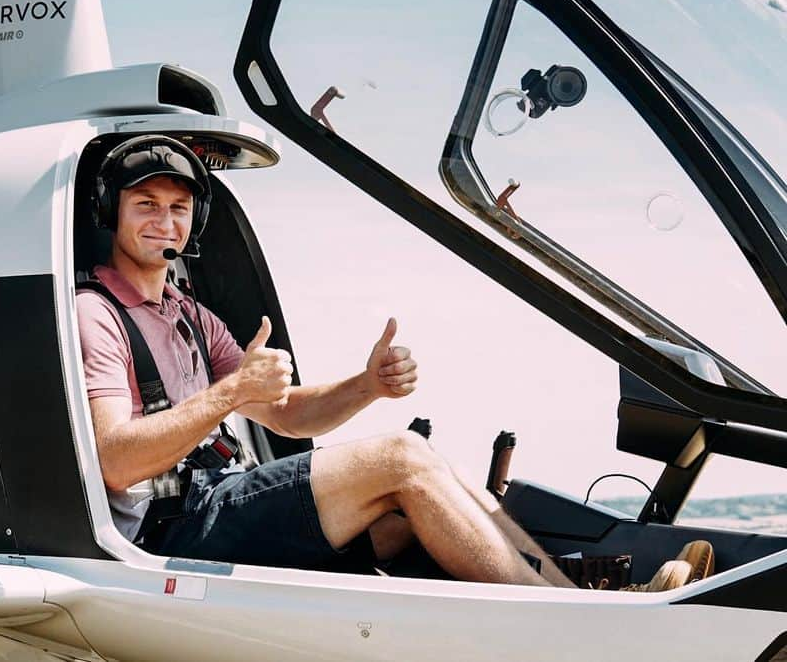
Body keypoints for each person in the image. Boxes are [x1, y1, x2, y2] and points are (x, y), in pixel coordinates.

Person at [77, 134, 709, 589]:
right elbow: (115, 461)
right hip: (168, 532)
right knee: (399, 459)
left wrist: (367, 385)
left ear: (195, 219)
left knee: (425, 479)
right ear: (114, 215)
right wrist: (227, 394)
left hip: (217, 499)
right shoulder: (97, 314)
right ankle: (576, 618)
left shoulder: (188, 313)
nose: (166, 220)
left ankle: (570, 591)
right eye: (147, 205)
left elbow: (288, 416)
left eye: (178, 207)